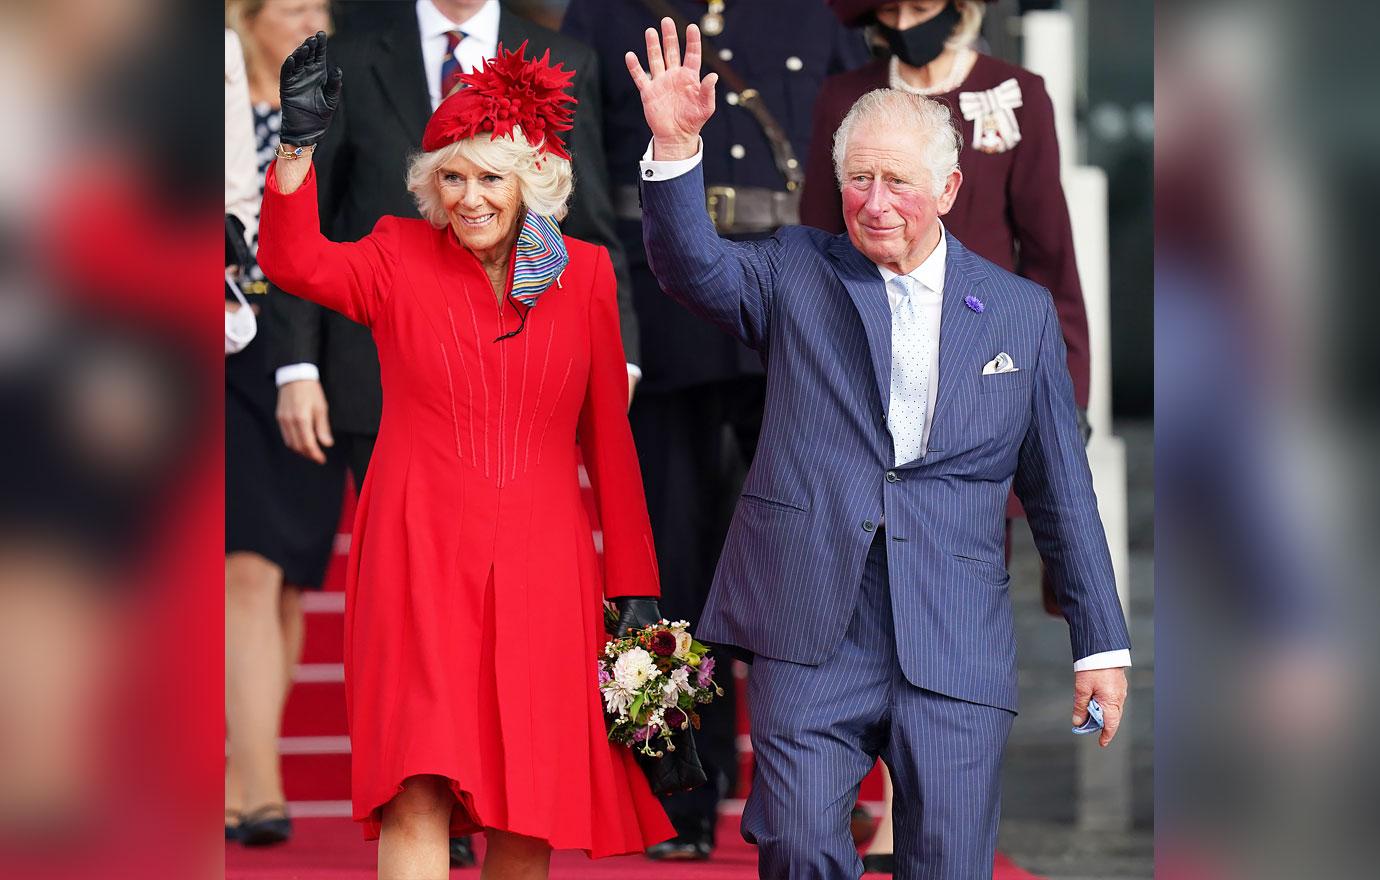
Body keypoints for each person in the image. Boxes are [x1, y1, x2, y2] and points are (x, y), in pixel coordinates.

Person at [627, 21, 1131, 877]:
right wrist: (676, 147)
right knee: (793, 839)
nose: (874, 201)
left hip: (954, 628)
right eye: (858, 179)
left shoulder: (1017, 314)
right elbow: (691, 268)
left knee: (948, 858)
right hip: (814, 617)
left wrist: (1101, 643)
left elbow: (1061, 490)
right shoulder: (795, 271)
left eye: (897, 180)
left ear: (947, 187)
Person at [257, 33, 675, 878]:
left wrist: (634, 589)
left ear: (534, 181)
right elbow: (293, 260)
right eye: (453, 176)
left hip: (545, 566)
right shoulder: (394, 255)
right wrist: (297, 148)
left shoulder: (586, 276)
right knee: (416, 785)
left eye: (492, 176)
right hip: (415, 555)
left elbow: (609, 442)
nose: (471, 197)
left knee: (528, 808)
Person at [560, 0, 870, 860]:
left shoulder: (817, 13)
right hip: (663, 311)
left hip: (796, 310)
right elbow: (580, 168)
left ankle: (815, 781)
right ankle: (677, 794)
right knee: (667, 570)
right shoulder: (608, 10)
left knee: (807, 560)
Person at [803, 5, 1095, 861]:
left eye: (920, 4)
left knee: (949, 616)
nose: (904, 19)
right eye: (887, 7)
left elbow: (1052, 263)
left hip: (981, 398)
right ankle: (874, 799)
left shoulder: (1017, 95)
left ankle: (911, 820)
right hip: (857, 399)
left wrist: (1058, 405)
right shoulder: (845, 98)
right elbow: (815, 252)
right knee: (862, 601)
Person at [268, 0, 638, 501]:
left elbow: (589, 221)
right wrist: (297, 365)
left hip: (522, 379)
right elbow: (316, 228)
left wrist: (621, 360)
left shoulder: (566, 60)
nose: (469, 195)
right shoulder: (349, 55)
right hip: (376, 371)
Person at [223, 0, 344, 848]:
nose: (313, 15)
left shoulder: (336, 100)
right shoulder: (212, 94)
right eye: (293, 5)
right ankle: (259, 780)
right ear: (250, 20)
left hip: (316, 344)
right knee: (245, 568)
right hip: (229, 335)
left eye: (319, 4)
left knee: (291, 572)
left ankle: (243, 766)